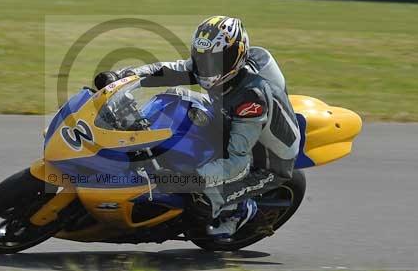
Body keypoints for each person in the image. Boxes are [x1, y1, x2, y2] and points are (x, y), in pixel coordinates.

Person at [94, 16, 300, 240]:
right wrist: (125, 76)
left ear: (236, 56)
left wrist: (187, 179)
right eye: (201, 58)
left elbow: (237, 162)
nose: (206, 67)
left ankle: (243, 211)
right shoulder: (212, 65)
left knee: (198, 202)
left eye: (215, 60)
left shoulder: (252, 97)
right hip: (229, 121)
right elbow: (172, 70)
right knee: (172, 99)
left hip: (263, 162)